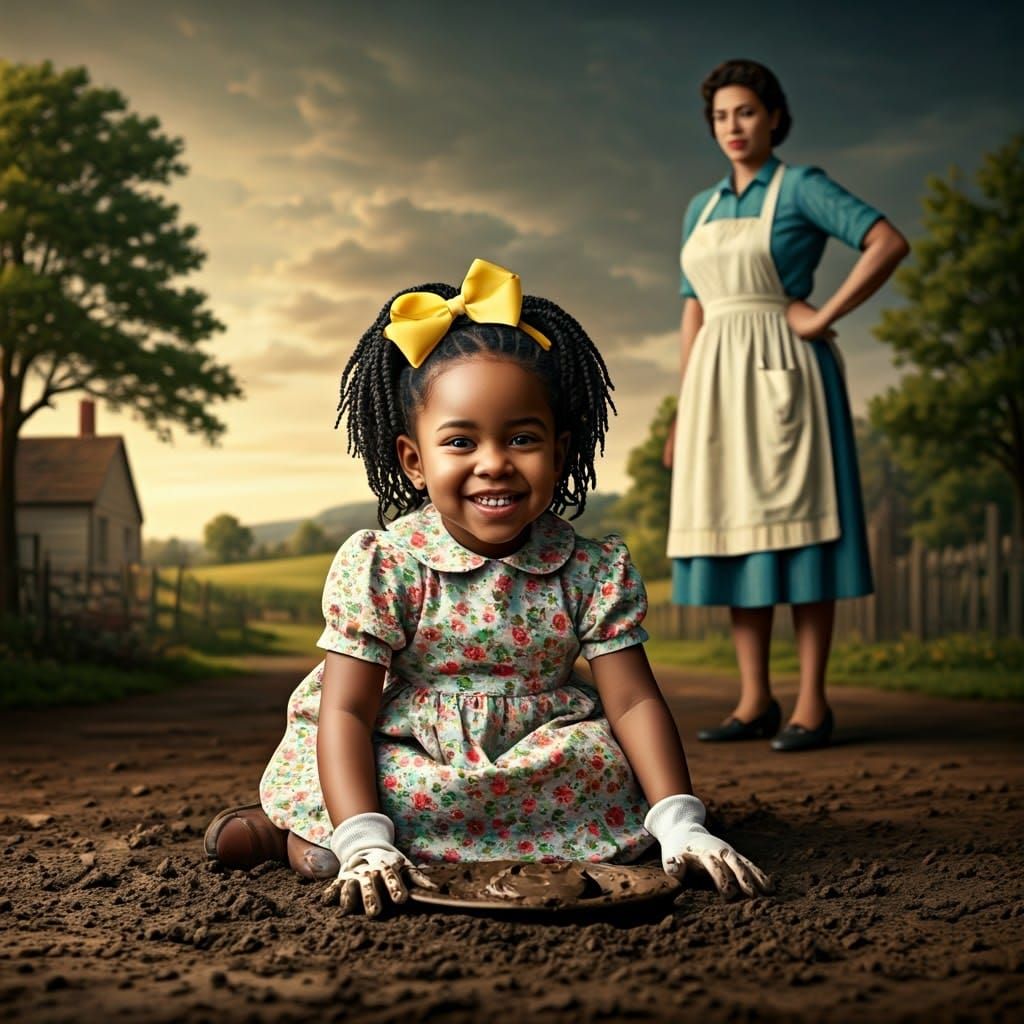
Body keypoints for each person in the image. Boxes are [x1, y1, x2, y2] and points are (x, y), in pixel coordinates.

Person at [205, 258, 772, 915]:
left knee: (602, 766)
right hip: (410, 748)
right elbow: (346, 713)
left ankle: (376, 844)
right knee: (385, 788)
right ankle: (327, 839)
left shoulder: (589, 569)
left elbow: (634, 703)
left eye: (522, 438)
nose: (494, 463)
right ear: (414, 461)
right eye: (460, 441)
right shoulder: (385, 565)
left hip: (538, 753)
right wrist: (364, 833)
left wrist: (680, 819)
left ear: (559, 453)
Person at [664, 60, 909, 752]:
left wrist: (821, 312)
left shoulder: (802, 186)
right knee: (736, 533)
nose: (732, 127)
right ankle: (753, 701)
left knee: (797, 533)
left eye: (745, 112)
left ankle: (812, 703)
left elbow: (887, 242)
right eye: (720, 117)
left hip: (783, 373)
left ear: (774, 116)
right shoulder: (700, 206)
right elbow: (692, 310)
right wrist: (684, 412)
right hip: (716, 379)